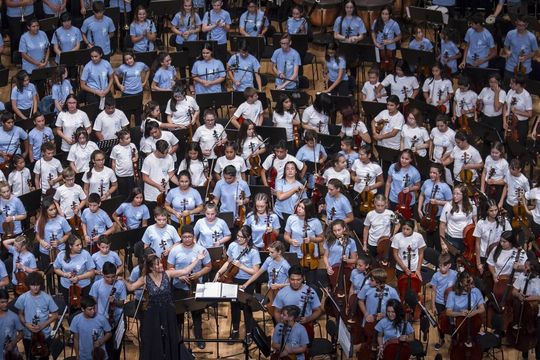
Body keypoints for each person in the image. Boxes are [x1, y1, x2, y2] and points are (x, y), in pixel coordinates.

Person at [123, 251, 205, 360]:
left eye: (160, 263)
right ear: (151, 268)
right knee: (154, 339)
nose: (161, 265)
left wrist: (198, 259)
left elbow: (185, 270)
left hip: (168, 312)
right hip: (153, 314)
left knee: (171, 337)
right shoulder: (145, 278)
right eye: (157, 264)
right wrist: (121, 279)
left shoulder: (168, 274)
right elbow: (131, 288)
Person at [167, 225, 211, 349]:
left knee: (197, 314)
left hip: (196, 286)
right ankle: (177, 340)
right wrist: (179, 276)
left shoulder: (201, 249)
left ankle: (199, 337)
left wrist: (199, 273)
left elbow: (208, 266)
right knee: (178, 315)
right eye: (184, 237)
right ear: (181, 237)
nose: (187, 239)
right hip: (179, 287)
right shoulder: (175, 250)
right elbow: (169, 267)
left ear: (194, 237)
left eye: (189, 237)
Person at [214, 225, 260, 340]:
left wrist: (242, 266)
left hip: (247, 281)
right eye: (238, 236)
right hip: (233, 279)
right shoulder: (233, 245)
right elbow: (229, 262)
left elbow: (255, 272)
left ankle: (249, 333)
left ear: (248, 238)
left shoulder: (253, 251)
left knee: (246, 307)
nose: (239, 239)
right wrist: (219, 272)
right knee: (234, 306)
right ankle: (235, 331)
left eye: (242, 237)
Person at [14, 272, 59, 356]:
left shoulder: (47, 298)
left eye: (37, 285)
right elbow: (20, 314)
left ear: (40, 285)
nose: (35, 287)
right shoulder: (22, 298)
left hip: (44, 335)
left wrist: (42, 325)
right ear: (28, 285)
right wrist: (26, 324)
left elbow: (55, 315)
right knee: (30, 356)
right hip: (28, 335)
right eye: (32, 285)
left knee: (44, 356)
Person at [272, 266, 323, 339]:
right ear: (288, 279)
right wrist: (281, 325)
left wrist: (308, 319)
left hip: (306, 326)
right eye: (292, 279)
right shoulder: (281, 293)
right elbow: (277, 311)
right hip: (287, 327)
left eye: (298, 279)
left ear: (303, 278)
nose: (295, 282)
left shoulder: (310, 291)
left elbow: (318, 311)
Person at [88, 262, 126, 359]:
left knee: (116, 349)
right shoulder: (96, 285)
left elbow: (122, 303)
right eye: (107, 277)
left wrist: (115, 301)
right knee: (104, 350)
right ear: (103, 275)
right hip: (102, 320)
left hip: (116, 320)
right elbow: (94, 303)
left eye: (113, 277)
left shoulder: (120, 285)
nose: (110, 279)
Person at [283, 199, 323, 284]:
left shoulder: (315, 222)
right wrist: (290, 240)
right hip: (295, 254)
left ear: (308, 210)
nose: (299, 209)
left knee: (310, 282)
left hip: (310, 256)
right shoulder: (291, 218)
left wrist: (312, 239)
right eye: (299, 206)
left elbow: (321, 238)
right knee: (296, 281)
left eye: (302, 208)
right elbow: (286, 235)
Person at [53, 234, 96, 309]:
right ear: (70, 246)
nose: (80, 247)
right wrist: (64, 274)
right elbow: (56, 268)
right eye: (77, 245)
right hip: (66, 286)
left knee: (84, 307)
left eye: (81, 244)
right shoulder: (61, 255)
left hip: (84, 286)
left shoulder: (85, 254)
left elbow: (92, 272)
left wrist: (78, 278)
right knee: (70, 306)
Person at [417, 163, 452, 250]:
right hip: (427, 213)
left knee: (437, 238)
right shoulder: (426, 182)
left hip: (438, 216)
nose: (431, 174)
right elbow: (422, 195)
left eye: (434, 173)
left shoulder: (445, 187)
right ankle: (429, 254)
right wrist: (419, 209)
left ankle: (438, 256)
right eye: (430, 172)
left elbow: (450, 202)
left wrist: (438, 202)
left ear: (440, 173)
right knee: (428, 235)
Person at [429, 253, 458, 350]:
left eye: (444, 266)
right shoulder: (436, 276)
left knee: (453, 322)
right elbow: (433, 291)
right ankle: (441, 339)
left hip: (451, 303)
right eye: (440, 265)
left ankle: (454, 339)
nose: (442, 268)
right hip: (439, 302)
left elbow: (458, 288)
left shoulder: (455, 274)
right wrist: (433, 306)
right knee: (440, 323)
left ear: (449, 265)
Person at [70, 296, 112, 360]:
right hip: (84, 356)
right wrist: (77, 355)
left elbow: (109, 333)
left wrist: (100, 342)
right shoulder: (76, 320)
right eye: (90, 309)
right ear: (83, 309)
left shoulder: (101, 319)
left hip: (99, 356)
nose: (93, 311)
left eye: (94, 308)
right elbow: (76, 339)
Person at [439, 185, 477, 253]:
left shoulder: (472, 204)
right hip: (453, 238)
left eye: (458, 194)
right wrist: (442, 243)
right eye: (453, 193)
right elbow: (442, 224)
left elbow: (475, 219)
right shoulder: (448, 205)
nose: (454, 196)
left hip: (468, 238)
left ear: (464, 195)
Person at [141, 139, 177, 209]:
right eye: (164, 153)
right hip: (151, 195)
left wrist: (180, 183)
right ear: (157, 150)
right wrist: (158, 186)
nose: (166, 154)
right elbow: (145, 178)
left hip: (165, 193)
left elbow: (171, 174)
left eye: (167, 152)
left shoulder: (169, 158)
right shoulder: (148, 160)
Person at [502, 15, 539, 82]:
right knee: (507, 87)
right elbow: (506, 47)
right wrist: (507, 51)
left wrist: (526, 57)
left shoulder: (531, 37)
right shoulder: (510, 34)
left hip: (524, 68)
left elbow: (535, 52)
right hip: (510, 66)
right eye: (519, 25)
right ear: (516, 23)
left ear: (527, 25)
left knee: (522, 89)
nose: (520, 27)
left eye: (523, 25)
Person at [503, 75, 532, 147]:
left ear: (518, 85)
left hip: (521, 123)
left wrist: (517, 111)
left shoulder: (526, 96)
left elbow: (529, 114)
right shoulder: (510, 91)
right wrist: (504, 121)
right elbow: (505, 105)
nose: (510, 85)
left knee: (519, 145)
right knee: (507, 141)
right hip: (509, 120)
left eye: (512, 84)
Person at [370, 5, 401, 71]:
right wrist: (375, 43)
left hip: (390, 49)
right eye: (383, 14)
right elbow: (373, 32)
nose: (384, 16)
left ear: (390, 14)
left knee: (390, 68)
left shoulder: (394, 24)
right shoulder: (376, 21)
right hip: (379, 48)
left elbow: (399, 36)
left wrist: (390, 41)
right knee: (379, 67)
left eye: (386, 14)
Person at [110, 129, 139, 197]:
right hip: (120, 175)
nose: (129, 139)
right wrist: (113, 174)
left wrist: (136, 158)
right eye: (127, 138)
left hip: (131, 174)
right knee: (123, 193)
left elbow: (136, 154)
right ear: (121, 140)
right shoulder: (116, 148)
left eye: (129, 137)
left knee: (131, 192)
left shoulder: (132, 145)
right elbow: (113, 162)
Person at [0, 288, 23, 357]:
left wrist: (13, 343)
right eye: (2, 302)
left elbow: (21, 333)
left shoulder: (14, 316)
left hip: (11, 355)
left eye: (6, 301)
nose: (5, 304)